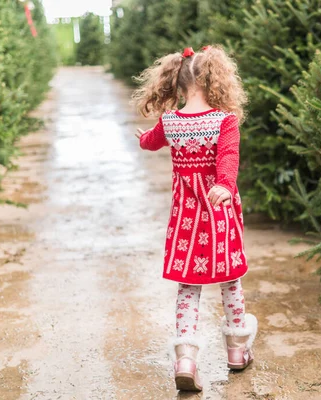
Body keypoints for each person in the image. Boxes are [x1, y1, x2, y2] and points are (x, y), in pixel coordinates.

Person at [132, 45, 257, 392]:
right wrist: (224, 185)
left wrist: (142, 138)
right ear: (214, 80)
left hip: (186, 220)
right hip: (219, 217)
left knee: (189, 285)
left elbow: (150, 142)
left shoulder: (170, 122)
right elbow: (229, 158)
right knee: (230, 280)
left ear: (179, 82)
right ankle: (236, 351)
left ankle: (185, 359)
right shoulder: (224, 121)